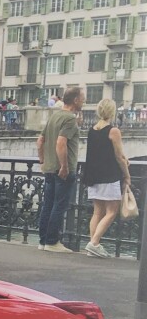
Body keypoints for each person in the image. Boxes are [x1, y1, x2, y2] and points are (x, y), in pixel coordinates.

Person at [82, 98, 132, 258]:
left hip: (93, 175)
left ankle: (92, 246)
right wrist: (127, 175)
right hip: (108, 175)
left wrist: (123, 157)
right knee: (112, 211)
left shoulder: (92, 129)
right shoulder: (113, 131)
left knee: (97, 212)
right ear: (112, 112)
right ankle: (94, 243)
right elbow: (118, 156)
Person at [36, 85, 83, 252]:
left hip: (49, 167)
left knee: (47, 204)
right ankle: (52, 241)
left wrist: (42, 160)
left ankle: (43, 241)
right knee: (60, 205)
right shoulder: (69, 119)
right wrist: (64, 166)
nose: (84, 101)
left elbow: (40, 141)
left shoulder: (54, 117)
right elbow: (61, 143)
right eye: (82, 98)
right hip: (62, 169)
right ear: (76, 100)